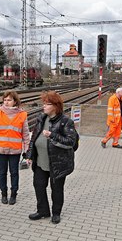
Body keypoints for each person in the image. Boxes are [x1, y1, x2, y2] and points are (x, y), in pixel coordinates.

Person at [25, 91, 78, 224]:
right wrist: (29, 155)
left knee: (57, 190)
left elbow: (71, 142)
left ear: (55, 106)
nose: (44, 106)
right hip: (40, 162)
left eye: (47, 104)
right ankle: (43, 211)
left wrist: (52, 135)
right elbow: (34, 138)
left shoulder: (66, 122)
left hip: (57, 164)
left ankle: (56, 213)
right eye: (44, 103)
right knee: (39, 186)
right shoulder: (41, 118)